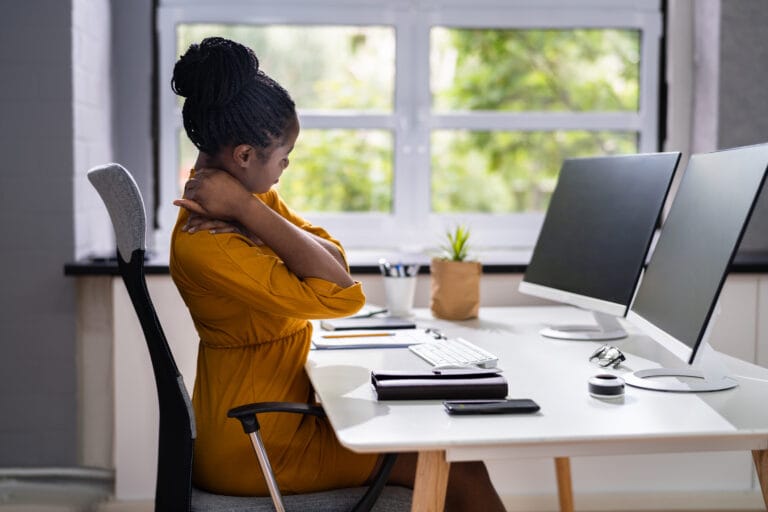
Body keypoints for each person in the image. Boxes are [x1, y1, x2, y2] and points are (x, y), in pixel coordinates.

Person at [170, 36, 506, 511]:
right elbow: (342, 296)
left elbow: (331, 258)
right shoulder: (210, 241)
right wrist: (249, 210)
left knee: (447, 451)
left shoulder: (246, 202)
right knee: (460, 468)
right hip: (256, 441)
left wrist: (252, 212)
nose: (285, 167)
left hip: (276, 417)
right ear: (244, 155)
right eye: (283, 157)